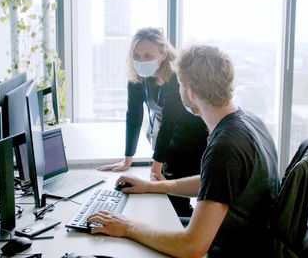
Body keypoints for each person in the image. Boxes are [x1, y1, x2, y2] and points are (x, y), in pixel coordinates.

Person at [88, 45, 280, 257]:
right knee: (148, 223)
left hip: (231, 249)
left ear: (189, 91)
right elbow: (215, 182)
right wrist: (152, 187)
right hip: (252, 240)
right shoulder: (249, 122)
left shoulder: (226, 146)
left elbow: (191, 247)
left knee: (125, 241)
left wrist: (127, 227)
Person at [98, 27, 208, 217]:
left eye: (148, 55)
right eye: (137, 55)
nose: (141, 60)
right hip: (168, 142)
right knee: (167, 197)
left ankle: (186, 227)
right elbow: (133, 114)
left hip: (192, 139)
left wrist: (156, 167)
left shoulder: (175, 76)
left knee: (173, 200)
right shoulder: (137, 75)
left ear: (163, 53)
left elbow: (169, 121)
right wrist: (127, 158)